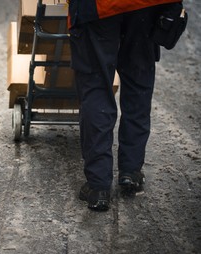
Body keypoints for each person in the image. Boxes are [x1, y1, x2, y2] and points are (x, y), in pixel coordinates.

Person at [67, 0, 183, 210]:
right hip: (146, 6)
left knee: (96, 88)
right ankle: (131, 171)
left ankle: (98, 186)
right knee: (138, 85)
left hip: (98, 8)